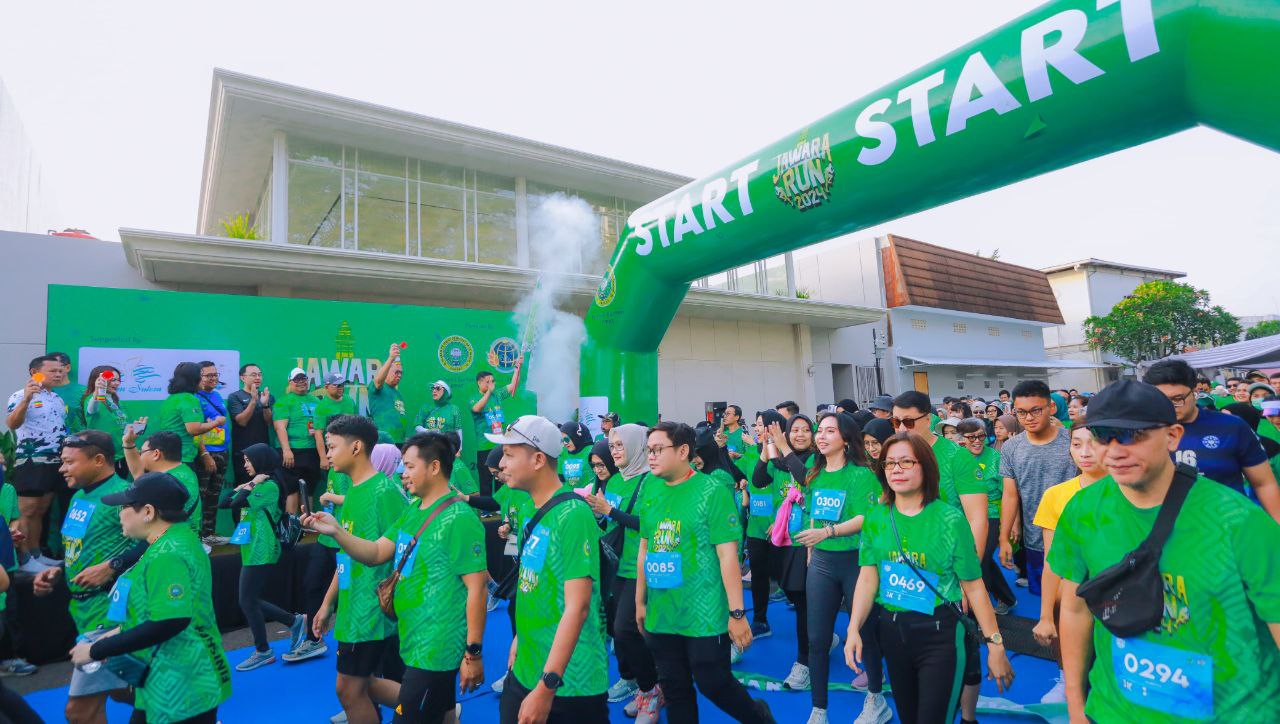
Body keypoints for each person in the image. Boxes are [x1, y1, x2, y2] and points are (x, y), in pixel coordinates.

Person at [1051, 380, 1280, 722]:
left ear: (1173, 436)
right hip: (1117, 711)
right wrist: (1074, 701)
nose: (1114, 450)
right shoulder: (1081, 511)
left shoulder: (1239, 521)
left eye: (1132, 435)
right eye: (1102, 435)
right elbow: (1074, 609)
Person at [306, 431, 488, 724]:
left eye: (410, 466)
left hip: (437, 646)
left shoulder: (459, 518)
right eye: (403, 465)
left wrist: (473, 653)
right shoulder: (415, 509)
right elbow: (377, 552)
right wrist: (336, 531)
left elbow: (477, 590)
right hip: (412, 640)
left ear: (434, 467)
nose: (403, 473)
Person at [845, 432, 1013, 724]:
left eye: (906, 462)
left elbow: (973, 586)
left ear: (926, 466)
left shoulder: (950, 519)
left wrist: (995, 644)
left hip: (940, 633)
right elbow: (868, 577)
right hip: (892, 631)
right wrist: (853, 628)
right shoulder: (876, 517)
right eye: (889, 463)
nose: (896, 469)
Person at [636, 421, 774, 724]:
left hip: (705, 610)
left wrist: (737, 614)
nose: (651, 457)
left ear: (684, 451)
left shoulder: (711, 491)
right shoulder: (650, 486)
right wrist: (640, 600)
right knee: (674, 688)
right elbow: (645, 548)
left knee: (713, 681)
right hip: (663, 609)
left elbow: (728, 557)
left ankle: (757, 716)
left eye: (659, 449)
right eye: (649, 451)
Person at [71, 472, 232, 724]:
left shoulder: (167, 553)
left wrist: (96, 649)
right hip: (170, 676)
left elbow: (170, 621)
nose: (119, 513)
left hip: (180, 682)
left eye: (125, 507)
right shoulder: (172, 540)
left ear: (148, 512)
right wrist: (110, 637)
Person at [485, 415, 609, 723]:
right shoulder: (530, 509)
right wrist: (518, 640)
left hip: (569, 683)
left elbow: (578, 607)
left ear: (539, 459)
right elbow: (534, 584)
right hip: (527, 664)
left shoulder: (573, 515)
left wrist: (547, 686)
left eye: (510, 455)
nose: (502, 463)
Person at [893, 391, 990, 720]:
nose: (902, 428)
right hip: (910, 573)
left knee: (964, 649)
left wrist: (967, 580)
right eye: (896, 421)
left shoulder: (955, 456)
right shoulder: (896, 456)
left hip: (953, 571)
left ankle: (967, 715)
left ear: (929, 418)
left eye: (909, 421)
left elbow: (977, 518)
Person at [313, 415, 409, 724]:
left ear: (356, 447)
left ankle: (437, 708)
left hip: (373, 612)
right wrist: (329, 604)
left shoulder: (385, 492)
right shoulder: (353, 493)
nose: (327, 454)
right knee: (355, 687)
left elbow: (402, 554)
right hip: (352, 609)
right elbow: (345, 557)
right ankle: (437, 708)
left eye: (332, 447)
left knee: (350, 689)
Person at [32, 430, 132, 723]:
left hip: (109, 615)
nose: (61, 468)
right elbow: (79, 548)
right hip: (82, 612)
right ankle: (191, 712)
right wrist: (58, 570)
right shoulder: (78, 497)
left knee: (79, 712)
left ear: (99, 460)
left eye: (69, 462)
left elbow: (154, 542)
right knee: (120, 691)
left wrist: (111, 566)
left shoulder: (123, 496)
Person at [793, 411, 885, 724]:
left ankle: (876, 697)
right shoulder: (813, 471)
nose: (821, 436)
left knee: (864, 632)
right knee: (816, 639)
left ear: (845, 439)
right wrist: (813, 545)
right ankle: (819, 710)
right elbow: (814, 513)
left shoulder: (861, 474)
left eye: (829, 431)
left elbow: (865, 519)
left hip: (856, 563)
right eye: (820, 431)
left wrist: (828, 533)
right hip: (820, 563)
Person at [583, 423, 659, 719]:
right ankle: (644, 684)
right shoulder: (614, 482)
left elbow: (645, 524)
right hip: (614, 565)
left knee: (625, 631)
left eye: (619, 445)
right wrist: (597, 515)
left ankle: (651, 690)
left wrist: (609, 511)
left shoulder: (650, 481)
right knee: (623, 630)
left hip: (639, 567)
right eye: (611, 445)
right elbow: (611, 524)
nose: (614, 451)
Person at [1142, 359, 1280, 521]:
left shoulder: (1231, 426)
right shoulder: (1144, 431)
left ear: (1194, 391)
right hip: (1169, 529)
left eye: (1177, 399)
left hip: (1229, 526)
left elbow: (1264, 484)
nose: (1170, 406)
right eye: (1161, 400)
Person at [1029, 424, 1105, 704]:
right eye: (1076, 444)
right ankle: (1065, 680)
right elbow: (1053, 561)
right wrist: (1046, 615)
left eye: (1093, 443)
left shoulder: (1129, 490)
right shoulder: (1056, 495)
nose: (1084, 452)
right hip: (1073, 594)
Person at [221, 443, 308, 671]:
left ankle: (267, 646)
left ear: (260, 462)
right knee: (249, 599)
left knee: (247, 600)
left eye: (249, 461)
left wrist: (248, 486)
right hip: (251, 548)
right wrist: (245, 485)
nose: (245, 465)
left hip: (263, 548)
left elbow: (238, 502)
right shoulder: (254, 486)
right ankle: (288, 627)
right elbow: (223, 502)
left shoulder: (268, 486)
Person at [998, 381, 1077, 597]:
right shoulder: (1011, 447)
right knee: (1047, 600)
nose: (1029, 418)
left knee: (1077, 601)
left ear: (1051, 408)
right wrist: (1004, 537)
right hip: (1035, 539)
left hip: (1076, 536)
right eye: (1021, 413)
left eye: (1035, 410)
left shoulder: (1073, 440)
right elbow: (1010, 494)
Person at [753, 413, 815, 687]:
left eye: (805, 430)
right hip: (783, 539)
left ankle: (805, 660)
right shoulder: (779, 463)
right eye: (794, 430)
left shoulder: (817, 460)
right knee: (788, 590)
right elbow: (757, 480)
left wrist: (784, 446)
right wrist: (768, 450)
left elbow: (805, 480)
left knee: (801, 600)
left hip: (808, 541)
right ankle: (820, 633)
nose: (800, 434)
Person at [6, 355, 69, 569]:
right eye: (53, 371)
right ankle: (23, 560)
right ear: (36, 373)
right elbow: (12, 424)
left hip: (56, 461)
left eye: (61, 370)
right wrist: (26, 399)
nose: (59, 374)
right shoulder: (19, 395)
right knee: (27, 511)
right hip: (32, 460)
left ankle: (36, 555)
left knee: (41, 511)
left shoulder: (57, 399)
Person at [955, 418, 1016, 616]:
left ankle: (977, 612)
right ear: (961, 439)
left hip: (992, 515)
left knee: (978, 561)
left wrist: (1014, 523)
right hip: (965, 516)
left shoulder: (995, 458)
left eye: (981, 436)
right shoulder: (957, 458)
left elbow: (1009, 493)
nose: (977, 441)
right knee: (984, 560)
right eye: (971, 437)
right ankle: (1007, 598)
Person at [744, 411, 786, 642]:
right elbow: (740, 474)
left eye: (762, 425)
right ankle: (760, 620)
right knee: (758, 574)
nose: (758, 429)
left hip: (782, 528)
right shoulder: (751, 453)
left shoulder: (785, 456)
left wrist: (778, 521)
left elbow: (792, 490)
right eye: (756, 424)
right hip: (756, 527)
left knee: (785, 577)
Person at [123, 428, 203, 541]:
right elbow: (139, 476)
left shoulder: (165, 483)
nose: (140, 456)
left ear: (156, 454)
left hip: (170, 544)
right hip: (186, 539)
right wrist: (129, 443)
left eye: (142, 452)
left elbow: (139, 477)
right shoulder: (184, 471)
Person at [153, 362, 222, 480]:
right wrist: (216, 422)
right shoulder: (189, 399)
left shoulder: (172, 398)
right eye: (201, 375)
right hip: (183, 457)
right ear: (194, 378)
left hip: (171, 455)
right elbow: (193, 429)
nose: (203, 379)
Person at [273, 368, 325, 515]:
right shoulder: (283, 402)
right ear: (290, 382)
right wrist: (286, 450)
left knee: (308, 490)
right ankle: (291, 526)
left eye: (303, 378)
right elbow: (280, 428)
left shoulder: (316, 401)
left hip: (312, 451)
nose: (301, 382)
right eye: (297, 379)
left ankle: (306, 526)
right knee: (292, 489)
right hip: (292, 451)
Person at [194, 361, 230, 542]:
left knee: (214, 495)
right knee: (201, 496)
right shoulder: (193, 398)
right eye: (209, 375)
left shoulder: (216, 395)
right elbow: (194, 429)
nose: (213, 378)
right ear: (198, 377)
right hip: (205, 454)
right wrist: (204, 454)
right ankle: (197, 537)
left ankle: (209, 534)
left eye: (215, 374)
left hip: (222, 451)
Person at [470, 368, 520, 497]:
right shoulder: (475, 398)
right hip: (484, 445)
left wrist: (516, 368)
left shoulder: (497, 395)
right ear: (479, 383)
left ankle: (499, 505)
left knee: (501, 477)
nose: (492, 384)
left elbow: (513, 385)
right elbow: (476, 408)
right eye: (488, 382)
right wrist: (488, 393)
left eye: (493, 381)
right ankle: (486, 509)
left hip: (499, 445)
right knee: (485, 478)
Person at [226, 363, 275, 493]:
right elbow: (241, 421)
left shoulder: (267, 396)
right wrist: (253, 401)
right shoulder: (235, 397)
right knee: (243, 489)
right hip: (243, 453)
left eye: (259, 374)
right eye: (253, 375)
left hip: (263, 453)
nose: (257, 377)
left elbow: (269, 422)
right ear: (243, 378)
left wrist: (264, 405)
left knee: (262, 489)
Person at [81, 366, 129, 479]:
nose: (117, 383)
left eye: (118, 380)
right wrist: (98, 392)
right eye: (112, 380)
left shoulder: (117, 400)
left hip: (122, 453)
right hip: (105, 455)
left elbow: (124, 425)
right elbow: (92, 408)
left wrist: (136, 428)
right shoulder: (93, 400)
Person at [370, 343, 409, 445]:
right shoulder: (379, 388)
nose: (399, 375)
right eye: (396, 372)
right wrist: (391, 358)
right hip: (383, 443)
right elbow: (378, 382)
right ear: (387, 371)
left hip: (399, 443)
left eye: (401, 373)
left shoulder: (398, 394)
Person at [48, 352, 87, 435]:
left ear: (67, 367)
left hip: (76, 442)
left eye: (55, 367)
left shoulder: (83, 391)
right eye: (49, 368)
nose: (52, 371)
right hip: (47, 442)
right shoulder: (40, 391)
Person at [557, 422, 594, 489]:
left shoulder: (591, 451)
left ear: (576, 436)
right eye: (562, 440)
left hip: (590, 496)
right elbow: (560, 479)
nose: (565, 443)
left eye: (566, 439)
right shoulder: (563, 452)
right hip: (571, 497)